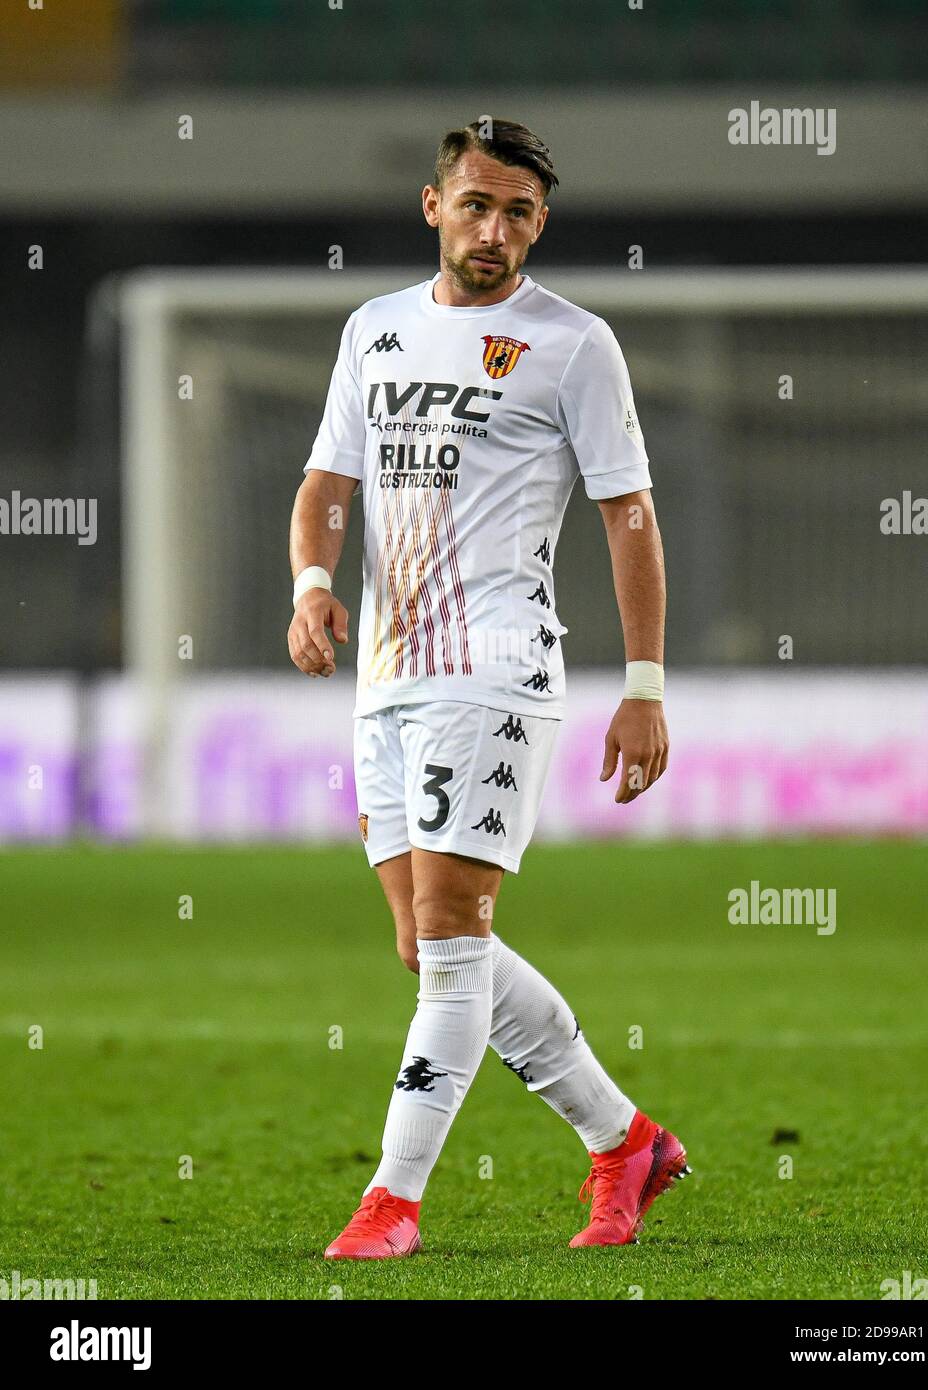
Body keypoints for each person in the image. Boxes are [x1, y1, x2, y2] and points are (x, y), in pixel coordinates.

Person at [287, 116, 689, 1258]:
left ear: (540, 222)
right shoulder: (374, 332)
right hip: (385, 678)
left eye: (518, 211)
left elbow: (629, 513)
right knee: (426, 948)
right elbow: (327, 479)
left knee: (454, 936)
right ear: (433, 206)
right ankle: (624, 1142)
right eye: (476, 204)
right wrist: (315, 579)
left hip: (498, 667)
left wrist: (645, 680)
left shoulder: (573, 344)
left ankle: (393, 1199)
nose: (494, 229)